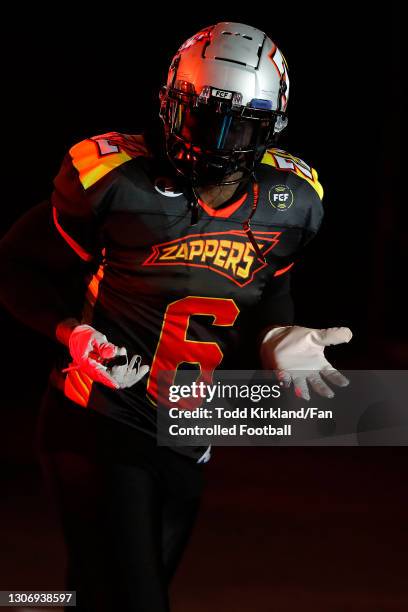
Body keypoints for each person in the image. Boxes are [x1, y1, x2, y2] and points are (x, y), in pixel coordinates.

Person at [0, 21, 352, 612]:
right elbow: (13, 265)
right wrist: (68, 330)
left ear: (270, 127)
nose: (214, 141)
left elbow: (270, 292)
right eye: (200, 117)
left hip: (189, 433)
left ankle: (25, 604)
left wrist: (276, 335)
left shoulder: (291, 203)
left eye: (236, 124)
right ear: (169, 105)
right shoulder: (116, 183)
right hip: (98, 419)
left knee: (98, 595)